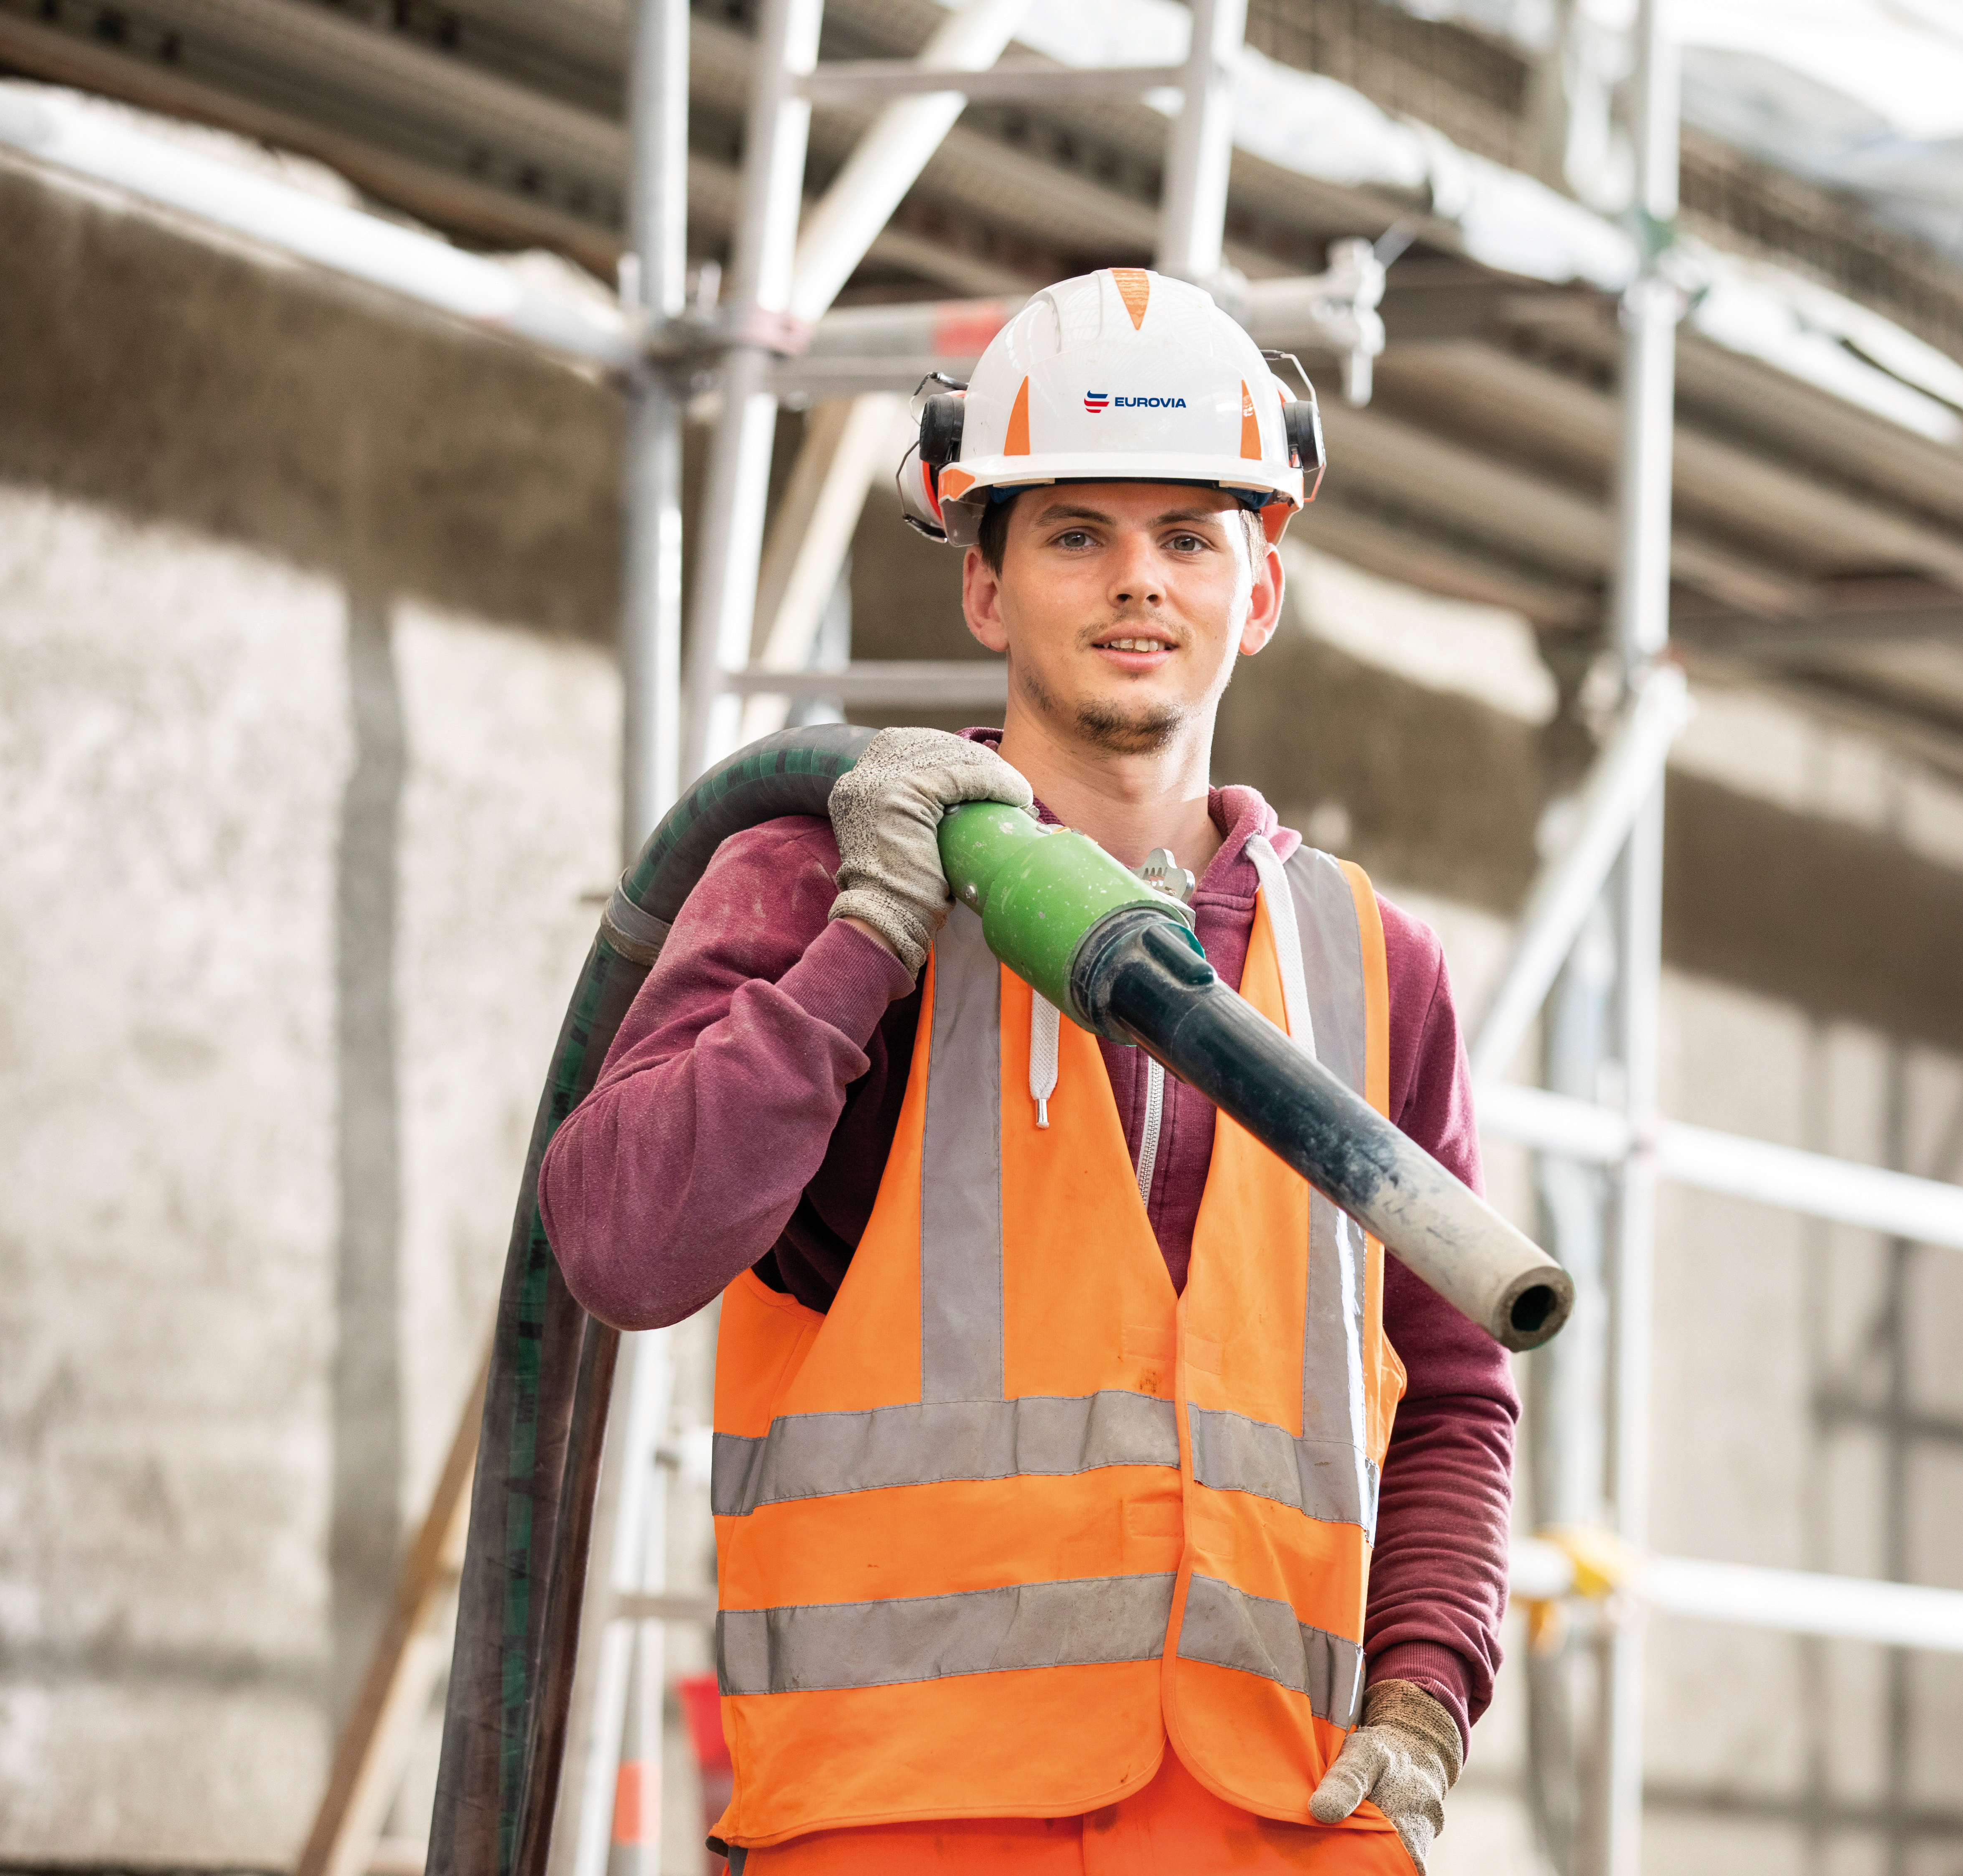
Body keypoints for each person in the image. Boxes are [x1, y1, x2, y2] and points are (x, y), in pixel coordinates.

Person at [538, 268, 1517, 1873]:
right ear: (984, 584)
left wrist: (1425, 1694)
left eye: (1190, 537)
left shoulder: (1369, 962)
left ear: (1259, 590)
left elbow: (1456, 1384)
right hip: (907, 1822)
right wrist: (868, 931)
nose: (1139, 585)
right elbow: (625, 1246)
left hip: (1276, 1823)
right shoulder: (816, 872)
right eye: (1077, 534)